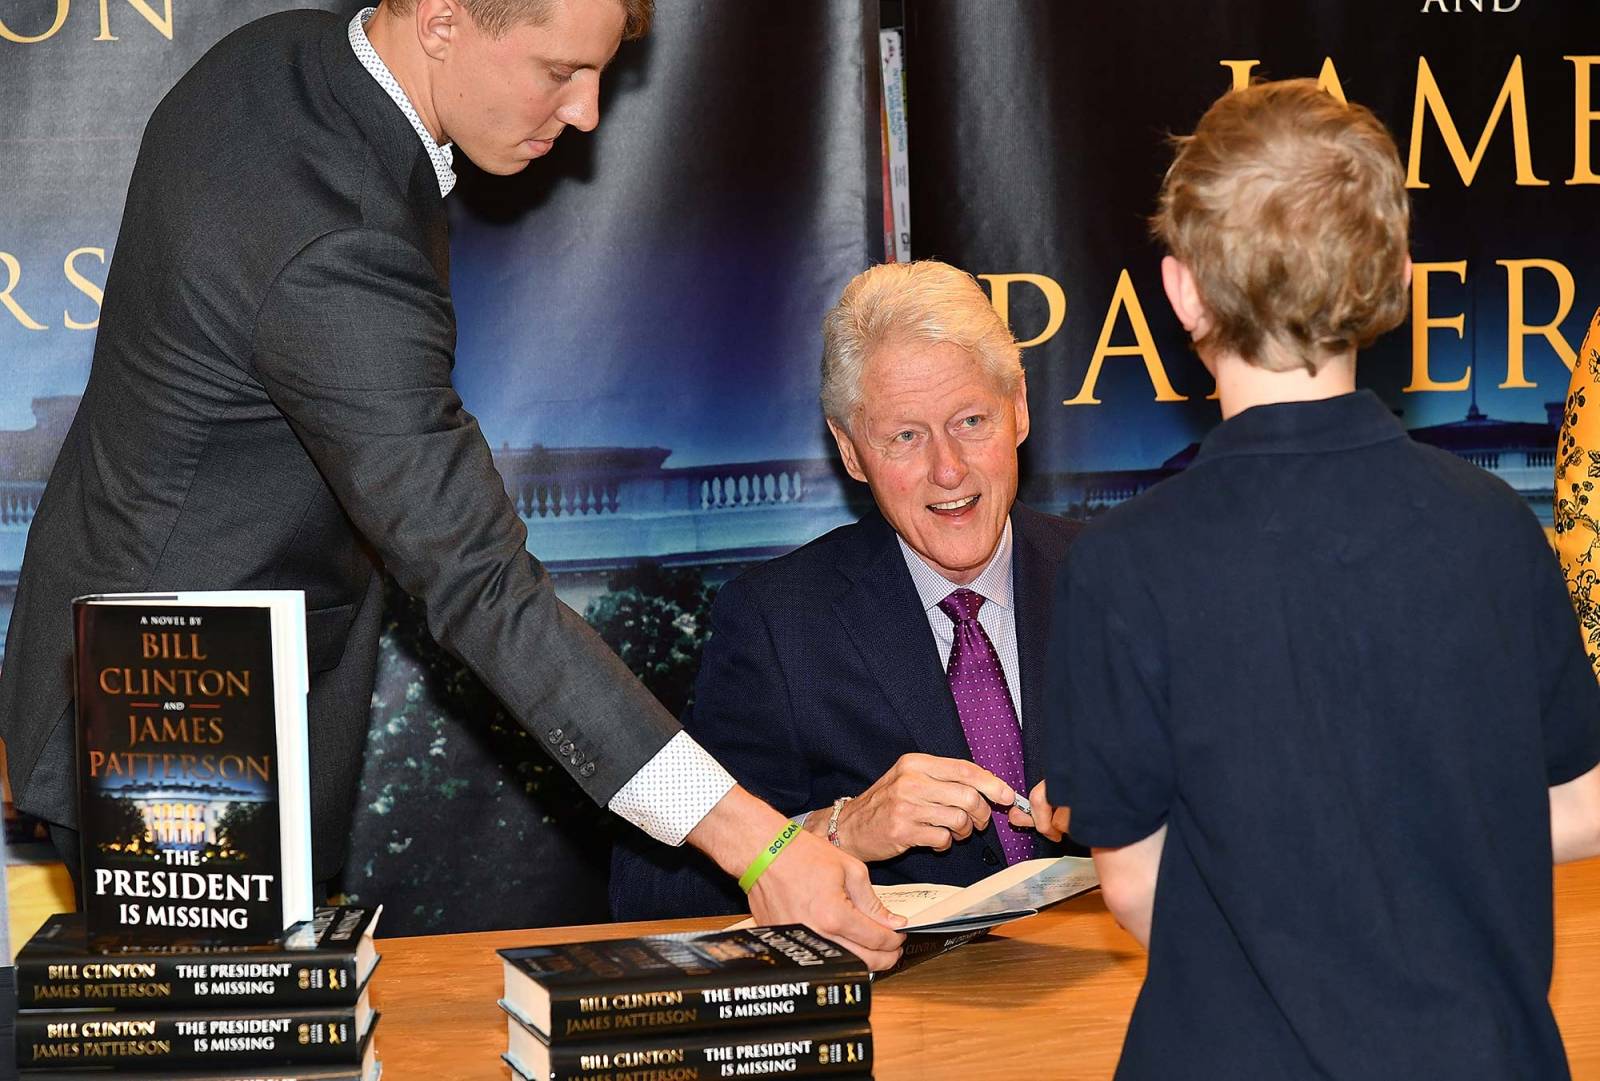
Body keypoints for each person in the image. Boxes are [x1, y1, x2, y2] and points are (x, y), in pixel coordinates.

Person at [0, 0, 904, 968]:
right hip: (172, 728)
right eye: (558, 72)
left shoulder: (284, 59)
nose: (589, 112)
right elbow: (481, 586)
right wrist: (756, 840)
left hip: (155, 662)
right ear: (439, 22)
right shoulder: (334, 241)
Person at [1046, 79, 1600, 1079]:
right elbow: (1585, 800)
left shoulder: (1122, 563)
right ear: (1395, 272)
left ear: (1182, 289)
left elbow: (1131, 887)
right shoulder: (1490, 529)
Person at [612, 260, 1077, 920]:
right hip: (910, 1010)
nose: (948, 469)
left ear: (1019, 408)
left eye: (972, 420)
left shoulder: (1126, 577)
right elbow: (650, 890)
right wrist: (842, 830)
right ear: (851, 450)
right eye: (906, 436)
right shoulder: (781, 623)